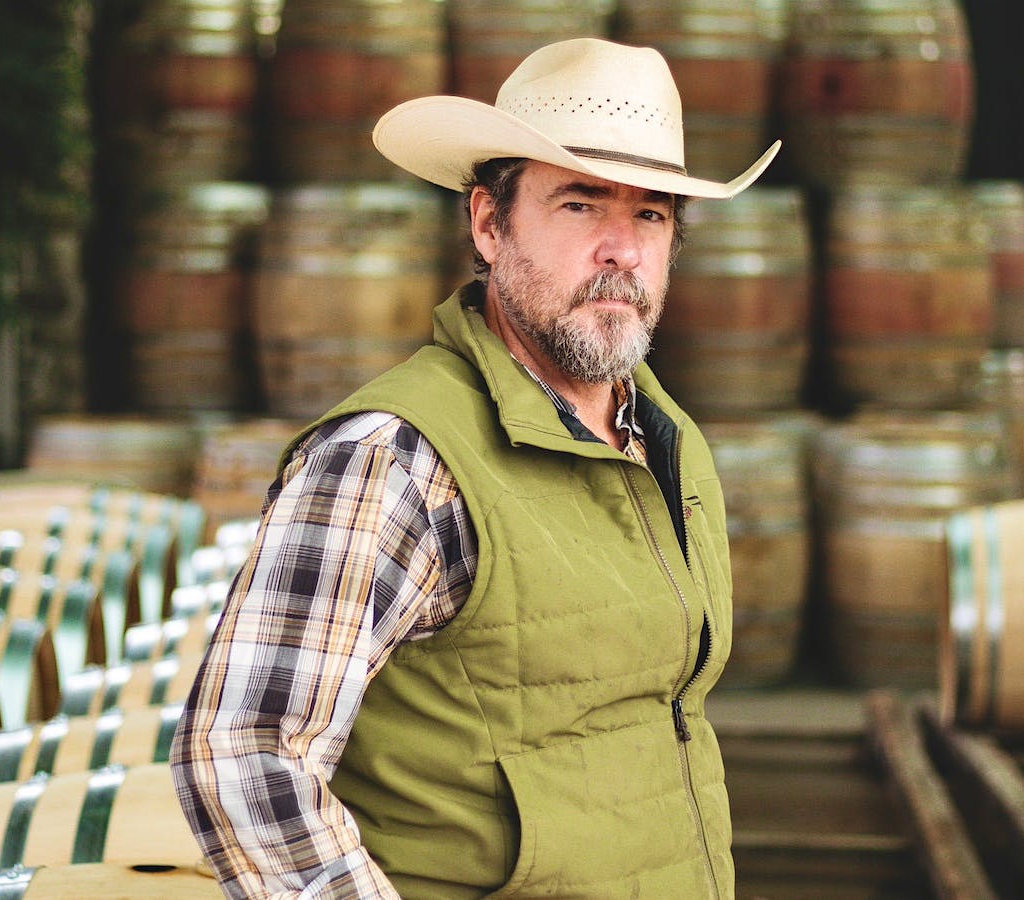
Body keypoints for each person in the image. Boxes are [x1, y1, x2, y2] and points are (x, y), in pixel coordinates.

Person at [170, 37, 780, 899]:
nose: (622, 248)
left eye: (651, 213)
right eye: (579, 205)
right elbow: (241, 756)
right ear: (489, 224)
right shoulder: (393, 460)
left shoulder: (664, 439)